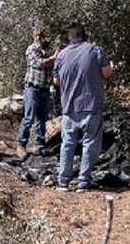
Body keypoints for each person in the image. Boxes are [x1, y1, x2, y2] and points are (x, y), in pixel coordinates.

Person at [53, 23, 113, 192]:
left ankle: (63, 182)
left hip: (69, 108)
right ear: (85, 36)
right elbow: (107, 73)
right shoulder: (95, 50)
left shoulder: (61, 55)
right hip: (91, 106)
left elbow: (56, 82)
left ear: (70, 38)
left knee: (67, 144)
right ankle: (83, 182)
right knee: (89, 144)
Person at [16, 26, 57, 158]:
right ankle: (21, 146)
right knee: (29, 118)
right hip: (32, 89)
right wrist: (55, 57)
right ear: (33, 36)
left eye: (41, 35)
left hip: (44, 89)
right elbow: (40, 64)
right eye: (37, 36)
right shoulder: (31, 49)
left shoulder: (45, 50)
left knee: (41, 119)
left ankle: (39, 146)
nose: (39, 38)